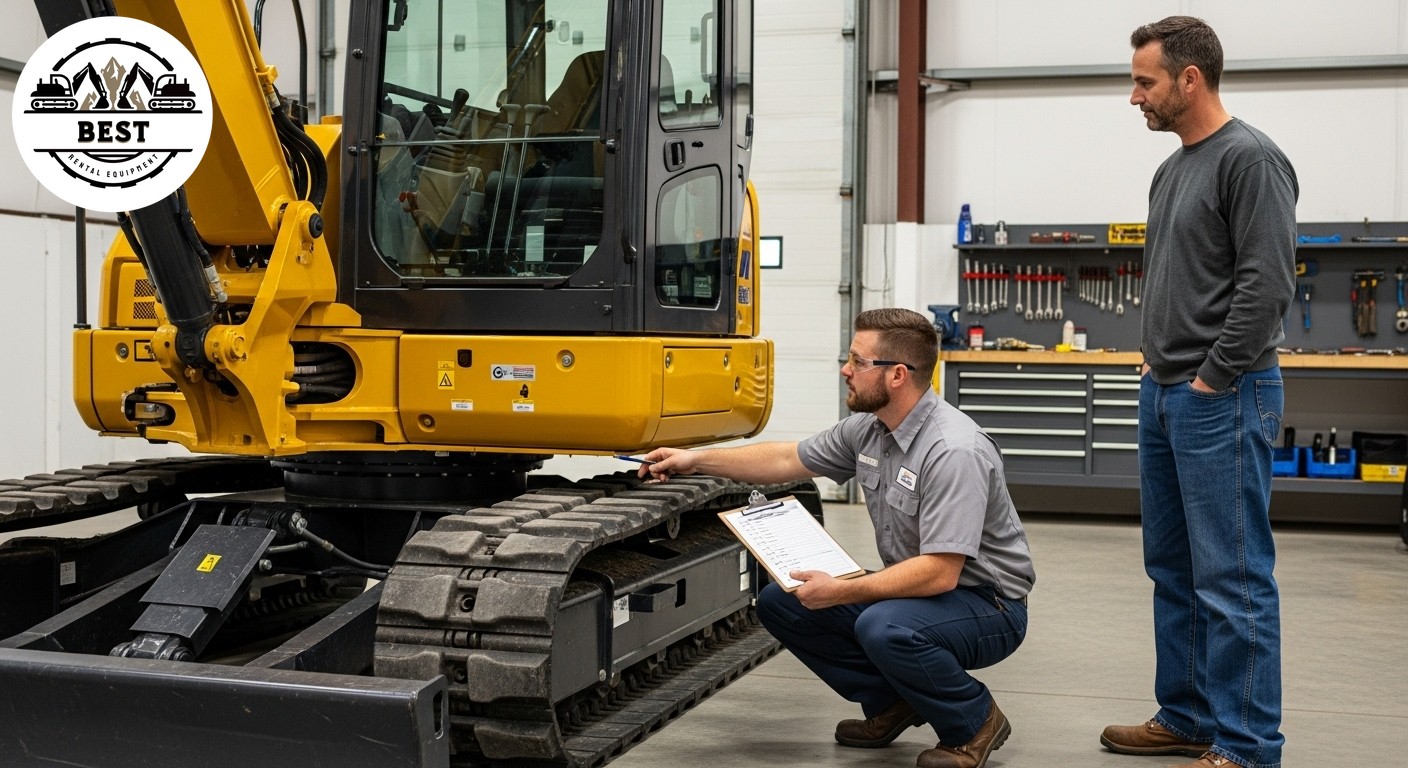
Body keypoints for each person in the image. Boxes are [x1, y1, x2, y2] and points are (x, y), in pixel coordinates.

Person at [640, 307, 1034, 768]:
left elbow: (941, 573)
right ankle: (893, 702)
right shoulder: (870, 429)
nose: (846, 370)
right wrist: (695, 460)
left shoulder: (953, 451)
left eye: (858, 361)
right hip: (924, 591)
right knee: (783, 601)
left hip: (988, 605)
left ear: (897, 376)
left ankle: (974, 721)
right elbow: (787, 459)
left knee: (882, 626)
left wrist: (843, 589)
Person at [1102, 16, 1297, 768]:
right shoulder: (1174, 167)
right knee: (1174, 568)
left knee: (1233, 577)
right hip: (1168, 391)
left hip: (1223, 393)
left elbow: (1266, 285)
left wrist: (1214, 374)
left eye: (1145, 81)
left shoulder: (1249, 159)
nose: (1134, 97)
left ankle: (1247, 746)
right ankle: (1186, 717)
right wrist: (1159, 366)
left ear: (1190, 79)